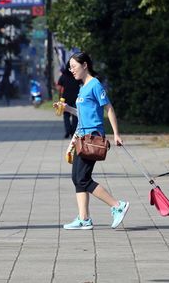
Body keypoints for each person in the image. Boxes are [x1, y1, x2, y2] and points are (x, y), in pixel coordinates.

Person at [54, 52, 129, 230]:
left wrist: (116, 133)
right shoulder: (83, 87)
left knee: (82, 178)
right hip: (82, 137)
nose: (71, 70)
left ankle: (117, 205)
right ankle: (83, 218)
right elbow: (82, 115)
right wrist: (67, 108)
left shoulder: (95, 84)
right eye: (70, 67)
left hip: (93, 138)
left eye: (74, 66)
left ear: (85, 64)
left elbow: (108, 108)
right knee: (77, 178)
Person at [56, 61, 80, 138]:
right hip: (76, 98)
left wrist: (59, 97)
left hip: (65, 98)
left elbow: (59, 87)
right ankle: (73, 132)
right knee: (75, 116)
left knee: (66, 116)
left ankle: (67, 130)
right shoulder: (76, 76)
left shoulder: (63, 76)